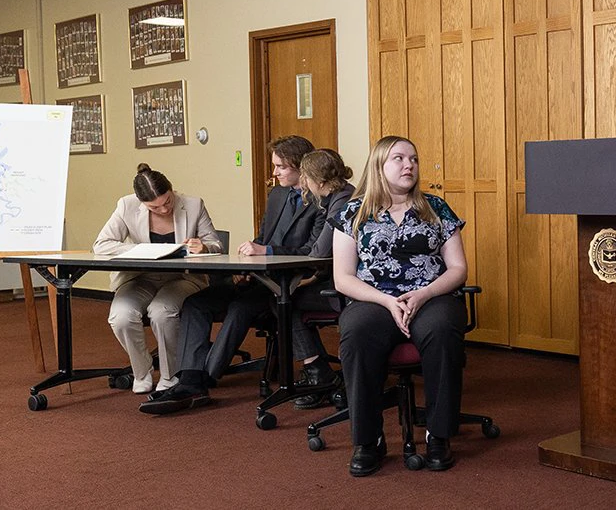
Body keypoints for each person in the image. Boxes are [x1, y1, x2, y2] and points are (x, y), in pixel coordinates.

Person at [142, 135, 324, 415]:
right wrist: (247, 264)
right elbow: (263, 237)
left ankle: (201, 381)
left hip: (286, 285)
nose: (274, 173)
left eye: (281, 167)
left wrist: (266, 251)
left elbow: (312, 250)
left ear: (301, 167)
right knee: (196, 303)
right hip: (256, 277)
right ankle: (190, 376)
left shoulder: (320, 200)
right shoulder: (276, 194)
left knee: (240, 307)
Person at [332, 135, 471, 477]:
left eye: (414, 159)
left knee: (442, 330)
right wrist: (386, 300)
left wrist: (422, 294)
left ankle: (438, 434)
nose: (409, 164)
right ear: (379, 166)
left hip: (431, 296)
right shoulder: (353, 212)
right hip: (375, 298)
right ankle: (368, 440)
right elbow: (343, 277)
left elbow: (458, 269)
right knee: (357, 332)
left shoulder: (436, 208)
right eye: (399, 158)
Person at [92, 164, 223, 395]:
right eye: (154, 207)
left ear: (171, 190)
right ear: (141, 202)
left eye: (168, 201)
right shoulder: (126, 206)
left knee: (161, 311)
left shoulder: (193, 205)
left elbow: (217, 245)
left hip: (182, 278)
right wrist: (139, 250)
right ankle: (142, 371)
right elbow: (102, 245)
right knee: (120, 316)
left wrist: (203, 247)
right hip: (139, 278)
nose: (163, 209)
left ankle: (170, 375)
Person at [282, 148, 357, 409]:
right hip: (343, 280)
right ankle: (317, 370)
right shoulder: (338, 195)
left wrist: (308, 275)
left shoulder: (343, 202)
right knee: (288, 296)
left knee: (285, 301)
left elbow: (320, 252)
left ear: (320, 181)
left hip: (352, 289)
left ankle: (317, 372)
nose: (303, 182)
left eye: (305, 176)